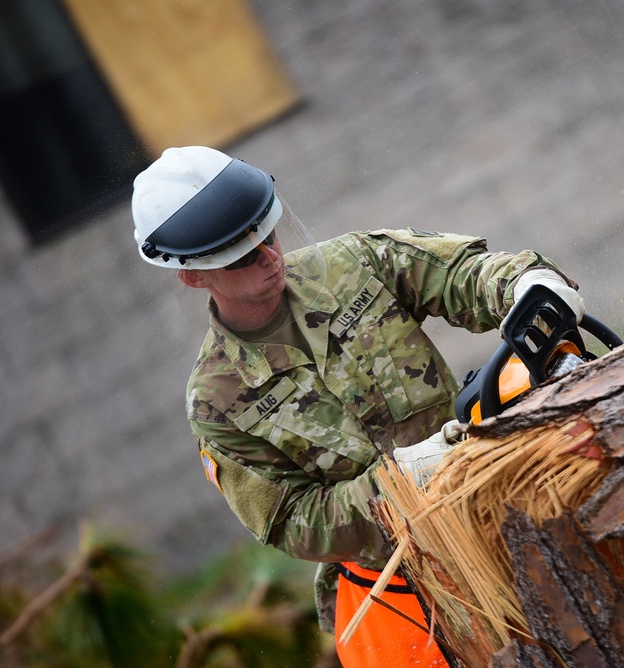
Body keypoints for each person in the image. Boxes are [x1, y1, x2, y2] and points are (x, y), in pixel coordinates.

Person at [131, 146, 584, 667]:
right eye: (243, 256)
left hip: (504, 494)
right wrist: (402, 480)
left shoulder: (352, 265)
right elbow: (293, 522)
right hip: (403, 580)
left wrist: (524, 285)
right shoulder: (217, 403)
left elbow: (460, 274)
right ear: (193, 275)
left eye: (269, 236)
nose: (270, 257)